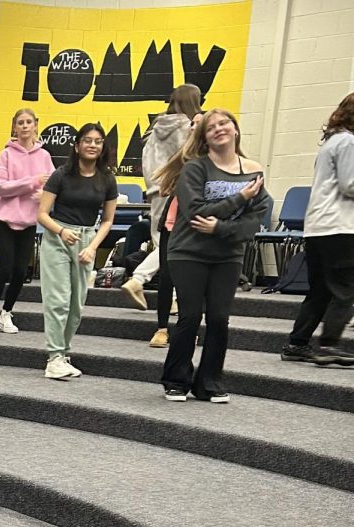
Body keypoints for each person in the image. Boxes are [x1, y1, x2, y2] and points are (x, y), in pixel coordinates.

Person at [156, 110, 271, 401]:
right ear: (204, 137)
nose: (219, 129)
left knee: (219, 318)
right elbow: (195, 212)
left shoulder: (253, 169)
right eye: (211, 127)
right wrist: (240, 198)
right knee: (190, 316)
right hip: (188, 252)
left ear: (235, 129)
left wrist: (221, 227)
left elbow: (256, 219)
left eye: (224, 123)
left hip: (228, 255)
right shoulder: (195, 168)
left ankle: (209, 383)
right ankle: (176, 380)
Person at [120, 85, 204, 347]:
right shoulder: (189, 127)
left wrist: (152, 188)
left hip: (155, 193)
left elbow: (146, 164)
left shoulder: (154, 129)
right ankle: (139, 278)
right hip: (178, 192)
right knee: (173, 247)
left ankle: (174, 297)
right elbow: (189, 160)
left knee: (163, 243)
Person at [37, 123, 118, 379]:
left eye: (97, 141)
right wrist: (61, 232)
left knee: (76, 305)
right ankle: (54, 357)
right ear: (77, 145)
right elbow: (41, 214)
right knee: (58, 300)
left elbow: (107, 220)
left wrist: (92, 247)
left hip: (86, 240)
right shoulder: (61, 174)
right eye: (87, 140)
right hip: (58, 236)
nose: (92, 145)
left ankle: (64, 353)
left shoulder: (107, 178)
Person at [281, 92, 354, 366]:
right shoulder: (348, 141)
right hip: (339, 227)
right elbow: (350, 184)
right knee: (346, 289)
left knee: (321, 290)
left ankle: (297, 343)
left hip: (318, 228)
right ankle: (329, 345)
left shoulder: (331, 142)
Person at [0, 108, 53, 335]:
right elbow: (2, 188)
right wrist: (33, 182)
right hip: (4, 220)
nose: (24, 126)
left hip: (28, 222)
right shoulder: (6, 154)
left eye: (29, 122)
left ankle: (6, 313)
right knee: (4, 269)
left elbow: (52, 187)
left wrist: (43, 196)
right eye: (20, 122)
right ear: (15, 127)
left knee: (21, 271)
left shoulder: (44, 157)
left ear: (36, 125)